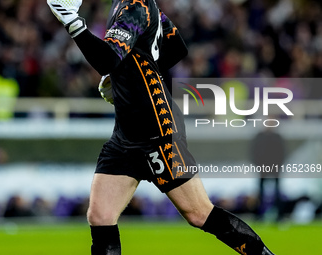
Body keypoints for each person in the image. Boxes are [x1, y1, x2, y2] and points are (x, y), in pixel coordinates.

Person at [47, 0, 275, 254]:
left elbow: (108, 59)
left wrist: (73, 23)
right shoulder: (139, 6)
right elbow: (177, 48)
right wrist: (123, 76)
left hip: (157, 129)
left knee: (199, 213)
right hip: (126, 134)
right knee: (100, 215)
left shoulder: (134, 6)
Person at [251, 127, 286, 221]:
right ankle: (259, 214)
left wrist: (278, 165)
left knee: (277, 192)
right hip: (263, 167)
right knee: (261, 192)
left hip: (275, 167)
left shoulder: (277, 137)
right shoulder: (260, 137)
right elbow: (254, 151)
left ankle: (279, 214)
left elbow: (282, 152)